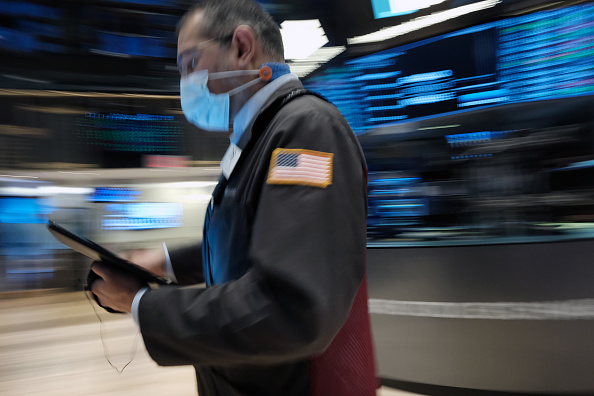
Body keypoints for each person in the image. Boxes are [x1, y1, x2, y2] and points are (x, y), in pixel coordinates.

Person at [90, 0, 377, 395]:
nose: (185, 83)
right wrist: (164, 261)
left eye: (191, 63)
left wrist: (140, 303)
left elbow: (288, 309)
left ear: (242, 46)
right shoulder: (261, 136)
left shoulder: (307, 132)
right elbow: (251, 238)